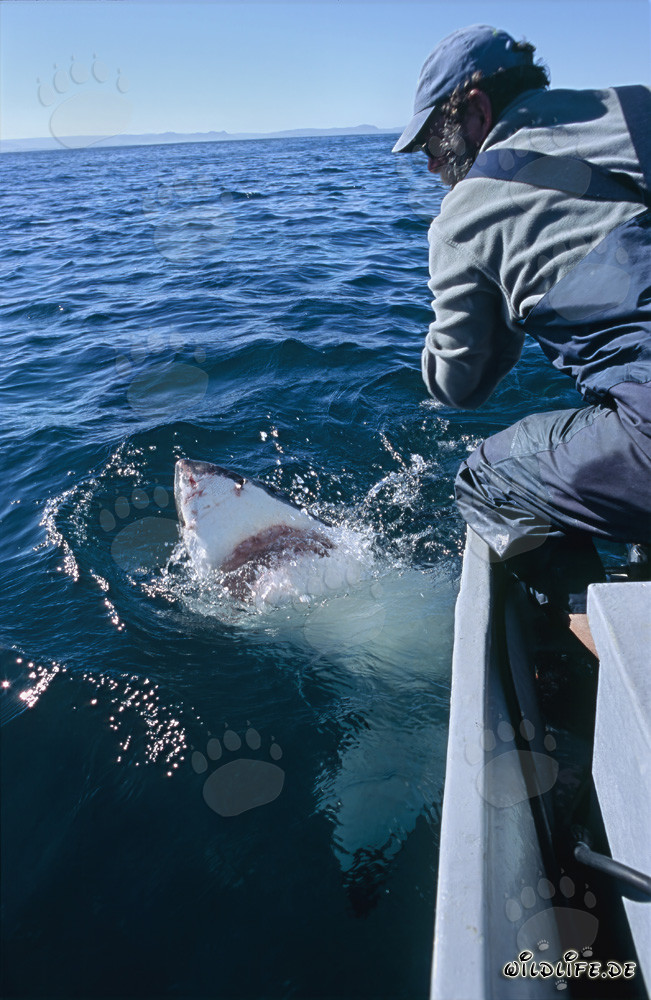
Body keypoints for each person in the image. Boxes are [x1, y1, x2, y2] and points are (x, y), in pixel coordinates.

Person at [393, 24, 651, 654]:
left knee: (486, 481)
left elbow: (461, 386)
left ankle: (613, 660)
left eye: (433, 138)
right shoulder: (636, 105)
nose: (430, 162)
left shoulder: (464, 214)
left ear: (477, 109)